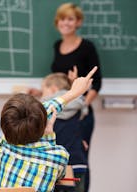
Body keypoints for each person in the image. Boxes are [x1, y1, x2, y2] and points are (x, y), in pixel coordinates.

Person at [0, 67, 97, 192]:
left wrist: (72, 93)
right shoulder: (59, 156)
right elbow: (58, 174)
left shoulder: (3, 145)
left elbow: (43, 109)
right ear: (43, 124)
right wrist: (74, 92)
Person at [52, 3, 102, 191]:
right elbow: (60, 81)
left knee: (79, 160)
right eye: (62, 19)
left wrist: (81, 107)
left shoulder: (87, 47)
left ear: (78, 22)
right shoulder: (57, 46)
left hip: (79, 114)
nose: (66, 23)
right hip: (60, 112)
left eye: (70, 19)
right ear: (58, 22)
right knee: (59, 157)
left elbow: (96, 82)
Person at [41, 73, 88, 192]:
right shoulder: (79, 106)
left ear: (53, 89)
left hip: (55, 164)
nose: (42, 95)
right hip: (78, 161)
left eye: (43, 91)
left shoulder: (45, 111)